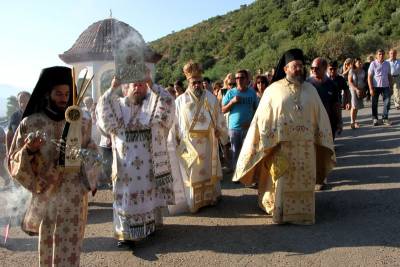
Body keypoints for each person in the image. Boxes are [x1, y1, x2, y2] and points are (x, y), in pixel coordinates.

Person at [232, 48, 335, 225]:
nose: (299, 70)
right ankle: (281, 211)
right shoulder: (273, 90)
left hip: (306, 147)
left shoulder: (310, 89)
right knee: (281, 181)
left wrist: (322, 138)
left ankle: (303, 214)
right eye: (295, 66)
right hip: (281, 147)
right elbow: (263, 118)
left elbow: (321, 116)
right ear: (286, 68)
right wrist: (268, 140)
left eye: (301, 66)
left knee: (304, 180)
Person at [8, 66, 95, 266]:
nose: (64, 99)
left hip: (74, 193)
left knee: (71, 245)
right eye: (58, 94)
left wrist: (90, 170)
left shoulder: (81, 122)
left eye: (67, 94)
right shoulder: (31, 123)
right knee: (48, 242)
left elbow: (91, 149)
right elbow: (13, 158)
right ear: (48, 93)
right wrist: (29, 150)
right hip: (46, 191)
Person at [96, 73, 176, 247]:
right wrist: (112, 88)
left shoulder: (151, 105)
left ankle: (149, 227)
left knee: (148, 198)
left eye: (141, 85)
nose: (138, 88)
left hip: (148, 167)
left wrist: (152, 84)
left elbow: (168, 102)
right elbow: (102, 109)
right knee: (126, 199)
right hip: (125, 167)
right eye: (134, 85)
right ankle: (125, 235)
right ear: (126, 88)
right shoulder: (118, 106)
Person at [168, 60, 229, 213]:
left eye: (199, 82)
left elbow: (219, 118)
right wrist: (175, 139)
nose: (197, 85)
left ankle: (210, 198)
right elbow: (174, 123)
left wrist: (220, 133)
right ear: (188, 82)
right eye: (194, 82)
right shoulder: (180, 101)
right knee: (192, 174)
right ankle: (192, 202)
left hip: (209, 142)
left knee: (208, 171)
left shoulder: (211, 98)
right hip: (189, 145)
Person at [222, 69, 258, 170]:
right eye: (237, 78)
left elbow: (256, 109)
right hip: (234, 129)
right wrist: (232, 102)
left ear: (247, 79)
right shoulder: (230, 93)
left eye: (242, 77)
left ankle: (247, 176)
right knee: (235, 153)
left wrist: (253, 123)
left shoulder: (252, 93)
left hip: (248, 128)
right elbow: (222, 110)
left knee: (249, 152)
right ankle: (236, 175)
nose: (239, 80)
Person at [307, 58, 342, 140]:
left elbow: (336, 104)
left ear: (325, 68)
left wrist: (339, 122)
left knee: (328, 147)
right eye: (312, 68)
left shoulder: (332, 85)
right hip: (312, 123)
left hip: (329, 122)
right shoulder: (307, 85)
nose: (314, 70)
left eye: (317, 68)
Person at [368, 49, 393, 126]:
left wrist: (391, 87)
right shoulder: (373, 64)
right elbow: (369, 77)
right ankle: (375, 118)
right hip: (375, 87)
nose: (381, 56)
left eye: (382, 54)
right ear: (376, 55)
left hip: (385, 86)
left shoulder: (387, 64)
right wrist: (371, 88)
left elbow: (389, 75)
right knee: (374, 103)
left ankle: (385, 118)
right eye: (379, 54)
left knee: (387, 102)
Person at [348, 58, 367, 129]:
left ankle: (354, 121)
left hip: (361, 89)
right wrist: (356, 89)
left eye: (361, 62)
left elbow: (364, 80)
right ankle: (352, 122)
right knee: (354, 105)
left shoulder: (363, 71)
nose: (360, 64)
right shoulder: (352, 71)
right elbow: (350, 82)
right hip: (353, 89)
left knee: (357, 107)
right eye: (358, 63)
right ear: (355, 63)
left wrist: (364, 89)